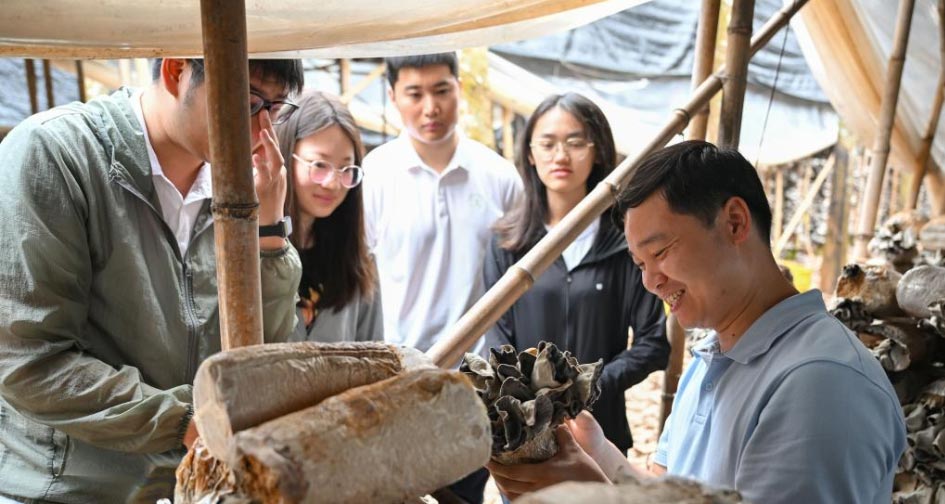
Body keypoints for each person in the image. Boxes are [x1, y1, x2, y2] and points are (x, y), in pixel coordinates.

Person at [488, 140, 907, 504]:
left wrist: (589, 495)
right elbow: (668, 490)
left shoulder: (820, 382)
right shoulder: (715, 355)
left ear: (735, 222)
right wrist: (597, 455)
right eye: (639, 263)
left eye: (661, 251)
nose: (651, 281)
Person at [0, 58, 304, 503]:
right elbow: (28, 361)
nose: (262, 131)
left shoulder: (235, 186)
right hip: (64, 490)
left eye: (275, 109)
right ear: (177, 70)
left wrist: (270, 229)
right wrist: (186, 421)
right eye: (249, 102)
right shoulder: (56, 154)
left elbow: (258, 360)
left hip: (183, 489)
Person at [361, 52, 521, 504]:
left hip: (475, 380)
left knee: (465, 492)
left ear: (458, 88)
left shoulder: (498, 176)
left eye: (441, 90)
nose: (429, 108)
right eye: (415, 94)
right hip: (397, 376)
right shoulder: (374, 175)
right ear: (393, 97)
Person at [484, 92, 669, 457]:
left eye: (574, 142)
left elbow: (653, 344)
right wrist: (534, 401)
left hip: (604, 435)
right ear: (530, 153)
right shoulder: (508, 243)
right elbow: (497, 337)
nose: (560, 155)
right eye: (548, 143)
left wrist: (585, 389)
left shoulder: (625, 243)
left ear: (598, 150)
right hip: (527, 439)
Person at [275, 90, 382, 343]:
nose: (333, 184)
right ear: (285, 156)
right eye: (319, 165)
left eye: (346, 169)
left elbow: (376, 358)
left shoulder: (358, 260)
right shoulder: (255, 253)